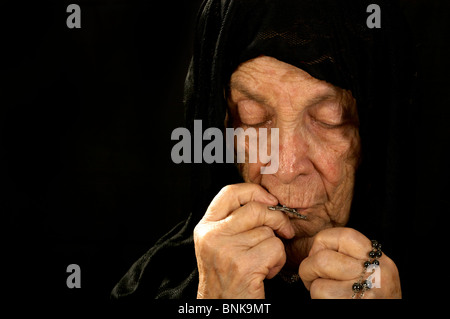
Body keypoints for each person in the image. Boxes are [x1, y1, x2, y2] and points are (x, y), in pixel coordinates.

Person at [111, 0, 415, 300]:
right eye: (253, 119)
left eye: (328, 119)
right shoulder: (152, 287)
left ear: (374, 135)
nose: (285, 167)